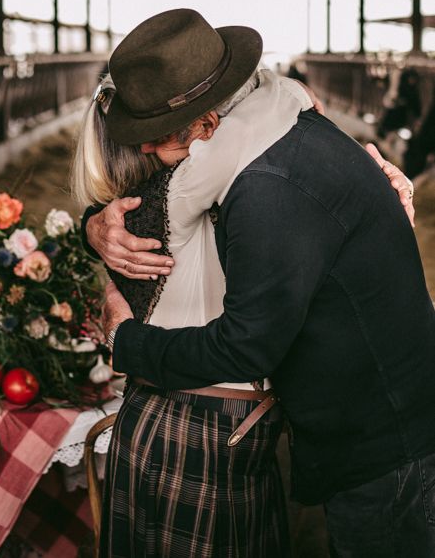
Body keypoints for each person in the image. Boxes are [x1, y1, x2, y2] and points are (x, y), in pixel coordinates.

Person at [83, 8, 432, 558]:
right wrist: (93, 227)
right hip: (387, 421)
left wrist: (128, 343)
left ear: (207, 124)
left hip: (387, 449)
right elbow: (152, 208)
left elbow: (248, 344)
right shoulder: (281, 125)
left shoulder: (265, 187)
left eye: (155, 134)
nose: (145, 149)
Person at [73, 68, 313, 556]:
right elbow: (278, 106)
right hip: (198, 427)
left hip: (189, 418)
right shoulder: (172, 199)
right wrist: (255, 74)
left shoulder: (127, 220)